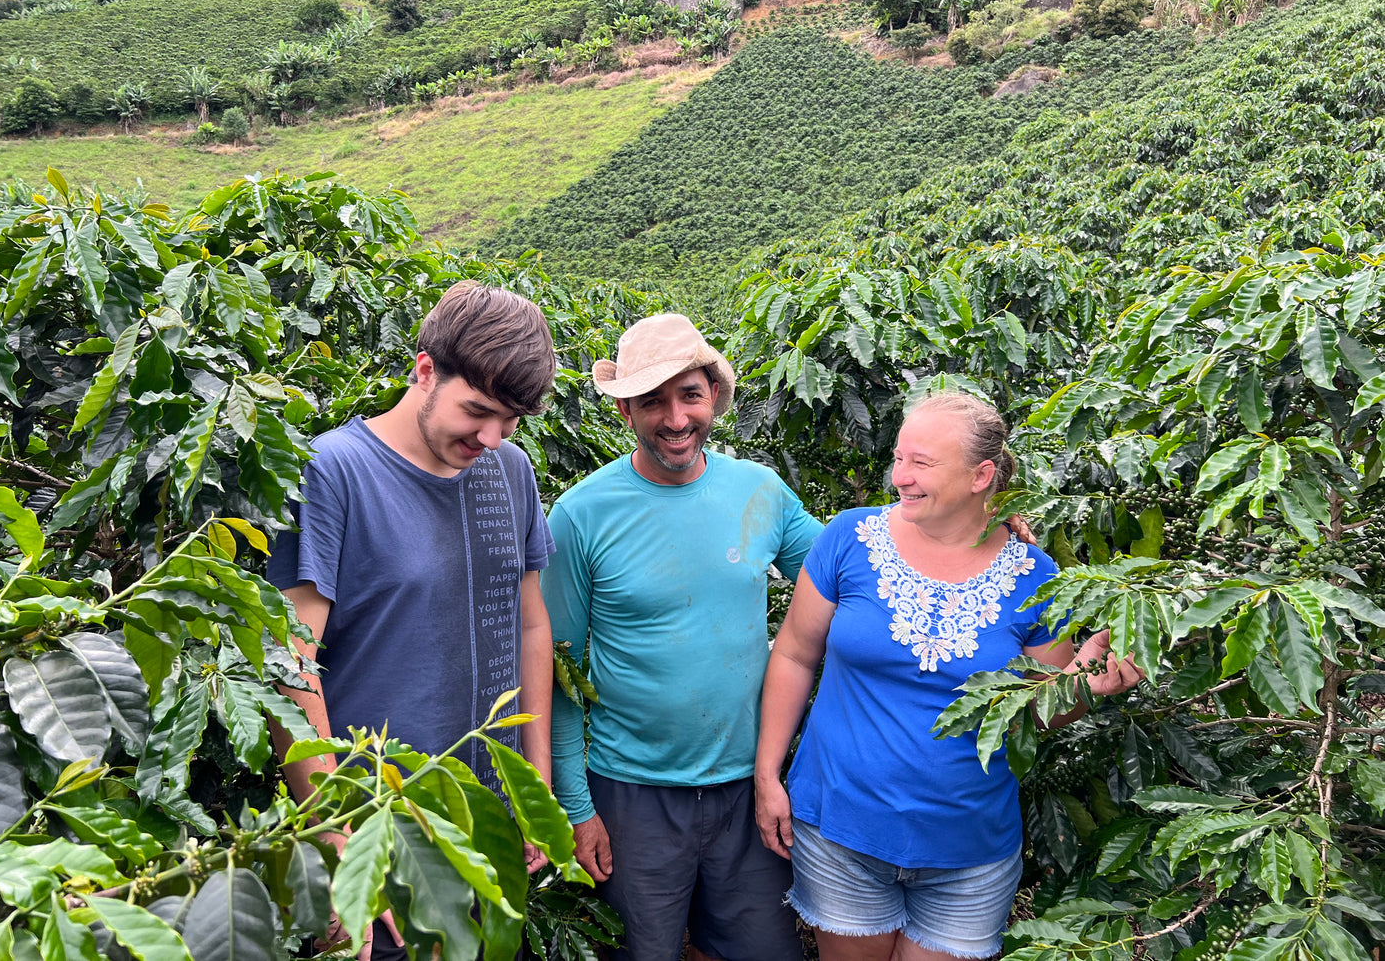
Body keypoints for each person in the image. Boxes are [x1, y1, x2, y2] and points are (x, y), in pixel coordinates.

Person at [754, 392, 1142, 961]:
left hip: (969, 850)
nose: (900, 477)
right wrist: (768, 773)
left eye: (922, 463)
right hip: (842, 828)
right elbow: (793, 655)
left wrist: (1087, 683)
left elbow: (1042, 705)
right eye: (899, 458)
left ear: (981, 475)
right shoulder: (848, 538)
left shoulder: (1036, 575)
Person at [266, 282, 559, 961]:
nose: (490, 437)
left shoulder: (509, 472)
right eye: (477, 411)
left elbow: (530, 627)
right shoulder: (331, 473)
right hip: (379, 831)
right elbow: (289, 660)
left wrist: (535, 786)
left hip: (485, 819)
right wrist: (334, 834)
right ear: (424, 370)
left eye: (510, 420)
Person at [543, 313, 824, 961]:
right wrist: (578, 808)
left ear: (714, 398)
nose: (674, 419)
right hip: (631, 794)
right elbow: (559, 671)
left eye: (689, 396)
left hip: (748, 789)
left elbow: (844, 565)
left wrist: (955, 524)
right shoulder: (580, 516)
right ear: (625, 412)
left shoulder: (759, 491)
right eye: (652, 401)